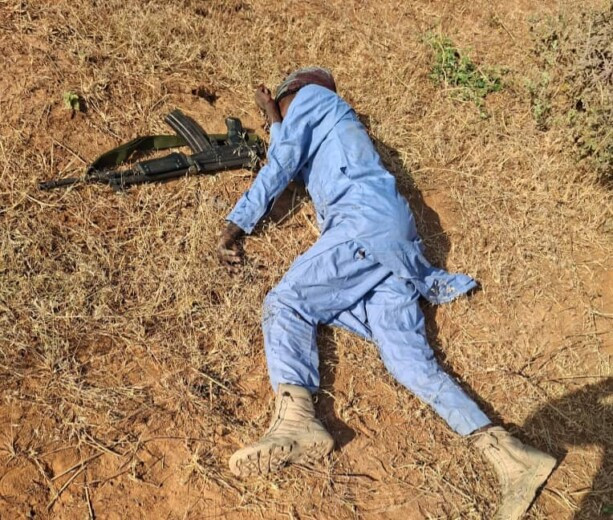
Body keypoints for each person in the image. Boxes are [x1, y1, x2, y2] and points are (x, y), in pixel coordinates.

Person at [217, 67, 556, 519]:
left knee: (287, 302)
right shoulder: (326, 128)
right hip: (393, 245)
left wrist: (233, 228)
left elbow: (280, 165)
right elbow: (287, 156)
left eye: (281, 104)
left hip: (363, 225)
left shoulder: (315, 98)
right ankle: (512, 456)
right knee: (408, 361)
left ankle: (296, 418)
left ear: (295, 92)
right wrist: (273, 120)